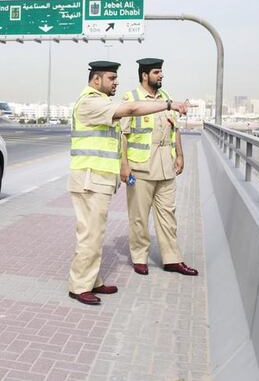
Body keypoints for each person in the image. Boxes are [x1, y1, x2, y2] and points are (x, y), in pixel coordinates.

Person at [68, 61, 191, 305]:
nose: (116, 83)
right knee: (90, 235)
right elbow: (131, 111)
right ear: (96, 80)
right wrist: (168, 105)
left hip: (98, 179)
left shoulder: (100, 101)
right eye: (112, 78)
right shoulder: (89, 102)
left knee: (96, 234)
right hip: (90, 179)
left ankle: (92, 281)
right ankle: (79, 286)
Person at [119, 58, 198, 277]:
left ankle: (172, 259)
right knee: (139, 216)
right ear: (145, 75)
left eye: (161, 72)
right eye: (157, 72)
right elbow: (123, 135)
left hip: (166, 167)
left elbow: (176, 130)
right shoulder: (131, 98)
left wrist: (180, 155)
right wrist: (124, 165)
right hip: (140, 168)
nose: (161, 75)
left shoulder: (166, 98)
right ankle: (139, 257)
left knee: (168, 216)